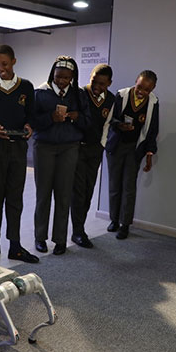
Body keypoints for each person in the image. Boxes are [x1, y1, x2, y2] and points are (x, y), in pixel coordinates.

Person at [0, 44, 39, 263]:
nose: (0, 68)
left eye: (4, 64)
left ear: (14, 61)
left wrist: (30, 126)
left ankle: (15, 245)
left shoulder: (26, 87)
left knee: (15, 198)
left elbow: (31, 115)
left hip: (18, 149)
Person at [32, 56, 90, 255]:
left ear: (72, 77)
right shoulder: (41, 93)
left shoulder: (79, 95)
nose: (62, 81)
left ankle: (60, 239)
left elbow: (88, 122)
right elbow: (32, 121)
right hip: (44, 147)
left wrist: (77, 117)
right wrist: (51, 117)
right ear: (52, 75)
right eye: (58, 77)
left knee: (64, 194)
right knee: (43, 194)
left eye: (66, 78)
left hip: (69, 147)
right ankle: (40, 237)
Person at [105, 70, 160, 240]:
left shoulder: (153, 102)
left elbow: (152, 129)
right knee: (114, 184)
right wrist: (120, 125)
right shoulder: (121, 95)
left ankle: (125, 224)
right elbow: (110, 118)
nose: (141, 92)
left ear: (153, 89)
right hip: (116, 145)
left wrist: (150, 154)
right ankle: (114, 220)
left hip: (135, 148)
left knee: (129, 187)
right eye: (139, 87)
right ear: (135, 81)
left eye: (147, 90)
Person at [70, 64, 115, 249]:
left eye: (102, 84)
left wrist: (102, 145)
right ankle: (78, 231)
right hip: (78, 148)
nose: (97, 86)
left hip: (95, 150)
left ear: (109, 83)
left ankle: (80, 228)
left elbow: (108, 124)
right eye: (94, 81)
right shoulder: (80, 93)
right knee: (79, 191)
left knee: (89, 190)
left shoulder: (111, 99)